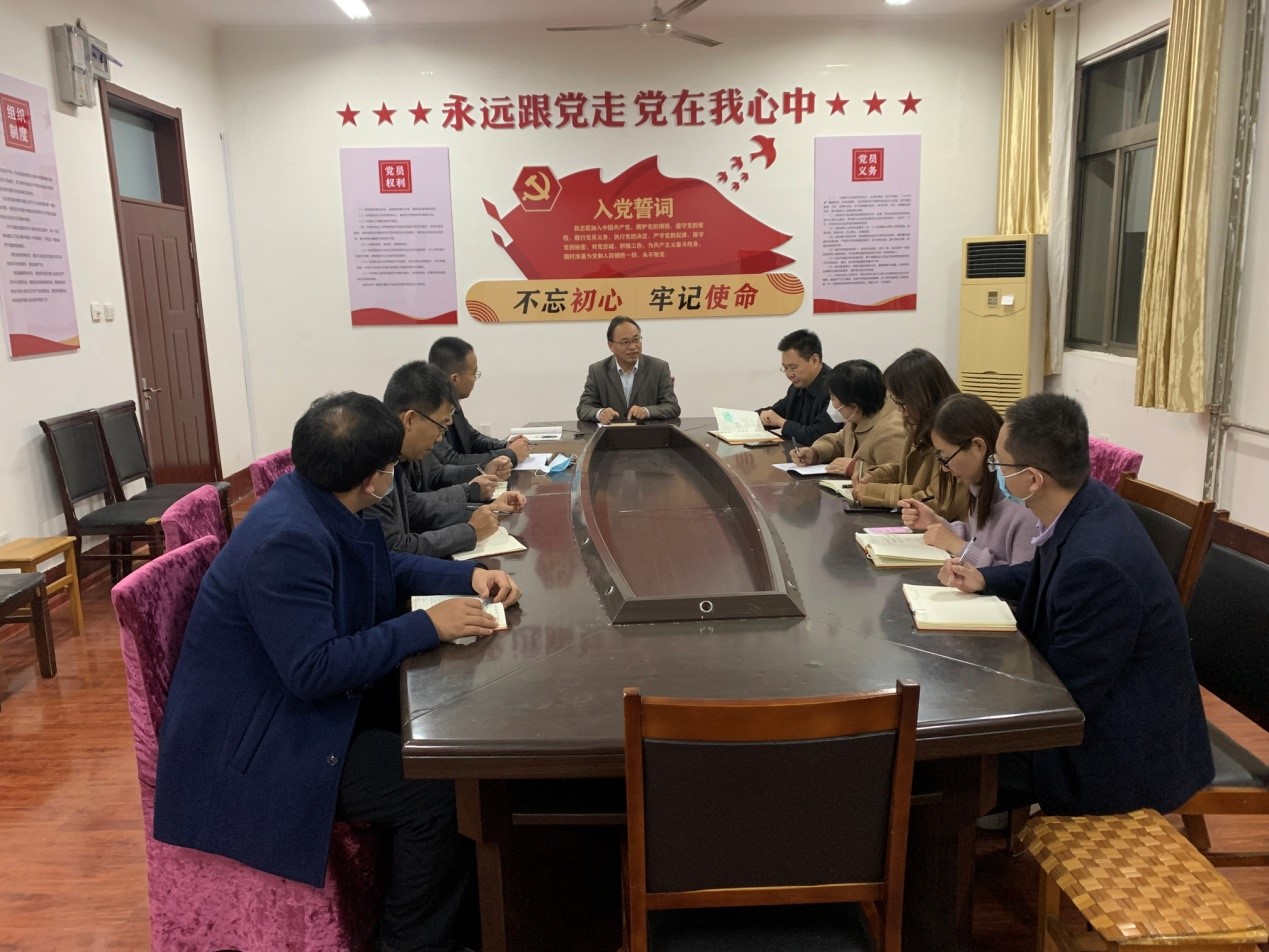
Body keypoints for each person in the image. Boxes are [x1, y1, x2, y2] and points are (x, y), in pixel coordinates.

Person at [154, 391, 522, 952]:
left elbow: (378, 562)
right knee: (439, 790)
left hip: (292, 709)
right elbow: (313, 670)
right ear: (374, 480)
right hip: (266, 743)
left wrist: (465, 577)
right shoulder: (286, 540)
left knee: (452, 730)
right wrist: (427, 625)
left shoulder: (309, 497)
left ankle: (473, 916)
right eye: (392, 467)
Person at [938, 393, 1214, 816]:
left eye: (999, 464)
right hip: (1100, 707)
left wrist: (975, 685)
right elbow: (1049, 575)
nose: (995, 473)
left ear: (1032, 479)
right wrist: (985, 579)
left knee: (949, 768)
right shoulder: (1083, 501)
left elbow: (1062, 700)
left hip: (1116, 753)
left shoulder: (1097, 566)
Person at [372, 361, 526, 559]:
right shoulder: (374, 465)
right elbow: (395, 550)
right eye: (440, 426)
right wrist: (470, 532)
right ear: (409, 420)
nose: (440, 438)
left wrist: (488, 510)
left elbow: (416, 508)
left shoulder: (397, 453)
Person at [898, 393, 1037, 568]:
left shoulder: (1024, 504)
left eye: (946, 458)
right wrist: (935, 522)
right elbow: (977, 539)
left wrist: (959, 548)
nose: (944, 468)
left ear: (978, 446)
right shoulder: (980, 487)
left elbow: (1021, 579)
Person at [851, 348, 968, 521]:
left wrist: (875, 492)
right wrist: (876, 476)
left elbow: (938, 502)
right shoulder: (920, 423)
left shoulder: (956, 430)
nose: (902, 412)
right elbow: (910, 472)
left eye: (903, 403)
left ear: (922, 397)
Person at [428, 336, 529, 478]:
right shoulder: (428, 409)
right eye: (474, 373)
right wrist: (509, 454)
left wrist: (505, 445)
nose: (475, 378)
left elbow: (472, 438)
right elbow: (451, 461)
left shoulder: (452, 400)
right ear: (455, 379)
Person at [791, 359, 905, 477]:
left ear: (853, 406)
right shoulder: (858, 417)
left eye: (833, 398)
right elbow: (839, 442)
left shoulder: (890, 431)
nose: (831, 403)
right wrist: (815, 453)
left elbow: (897, 473)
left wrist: (855, 468)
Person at [576, 316, 680, 423]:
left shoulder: (659, 368)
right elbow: (584, 408)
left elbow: (672, 407)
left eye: (636, 340)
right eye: (625, 342)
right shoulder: (597, 371)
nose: (633, 347)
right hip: (611, 433)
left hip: (647, 432)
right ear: (611, 346)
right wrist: (600, 413)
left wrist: (646, 411)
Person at [757, 328, 836, 445]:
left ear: (814, 360)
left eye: (793, 368)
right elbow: (778, 411)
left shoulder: (836, 389)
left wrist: (781, 422)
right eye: (785, 368)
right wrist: (758, 417)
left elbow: (818, 436)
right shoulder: (797, 386)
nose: (789, 374)